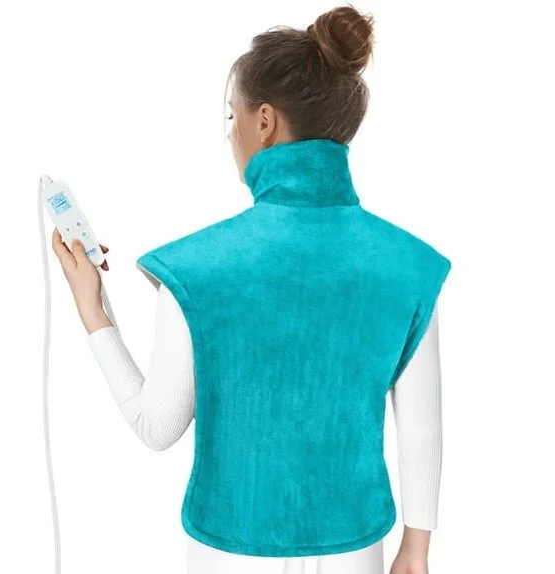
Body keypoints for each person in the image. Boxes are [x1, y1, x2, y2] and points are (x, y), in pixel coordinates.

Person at [52, 5, 450, 574]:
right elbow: (420, 428)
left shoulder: (195, 268)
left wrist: (92, 307)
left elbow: (156, 428)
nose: (228, 134)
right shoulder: (408, 267)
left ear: (264, 120)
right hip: (354, 548)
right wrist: (416, 550)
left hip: (227, 549)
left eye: (230, 116)